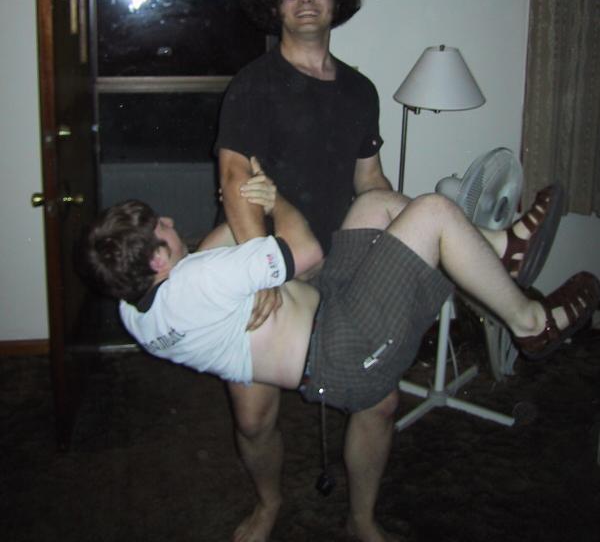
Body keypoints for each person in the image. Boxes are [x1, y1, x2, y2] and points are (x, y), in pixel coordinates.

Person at [212, 0, 565, 541]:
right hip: (274, 258)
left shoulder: (360, 90)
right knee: (253, 417)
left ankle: (362, 519)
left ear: (337, 3)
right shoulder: (255, 84)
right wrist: (260, 270)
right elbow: (234, 180)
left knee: (378, 402)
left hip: (343, 259)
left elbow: (370, 183)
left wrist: (405, 240)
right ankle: (269, 502)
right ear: (274, 6)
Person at [79, 167, 599, 542]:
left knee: (375, 204)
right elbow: (306, 252)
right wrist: (274, 200)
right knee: (433, 212)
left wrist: (243, 218)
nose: (170, 220)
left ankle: (500, 250)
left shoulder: (136, 314)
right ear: (158, 260)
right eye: (161, 227)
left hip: (327, 308)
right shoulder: (202, 281)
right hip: (342, 349)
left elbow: (215, 254)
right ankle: (532, 323)